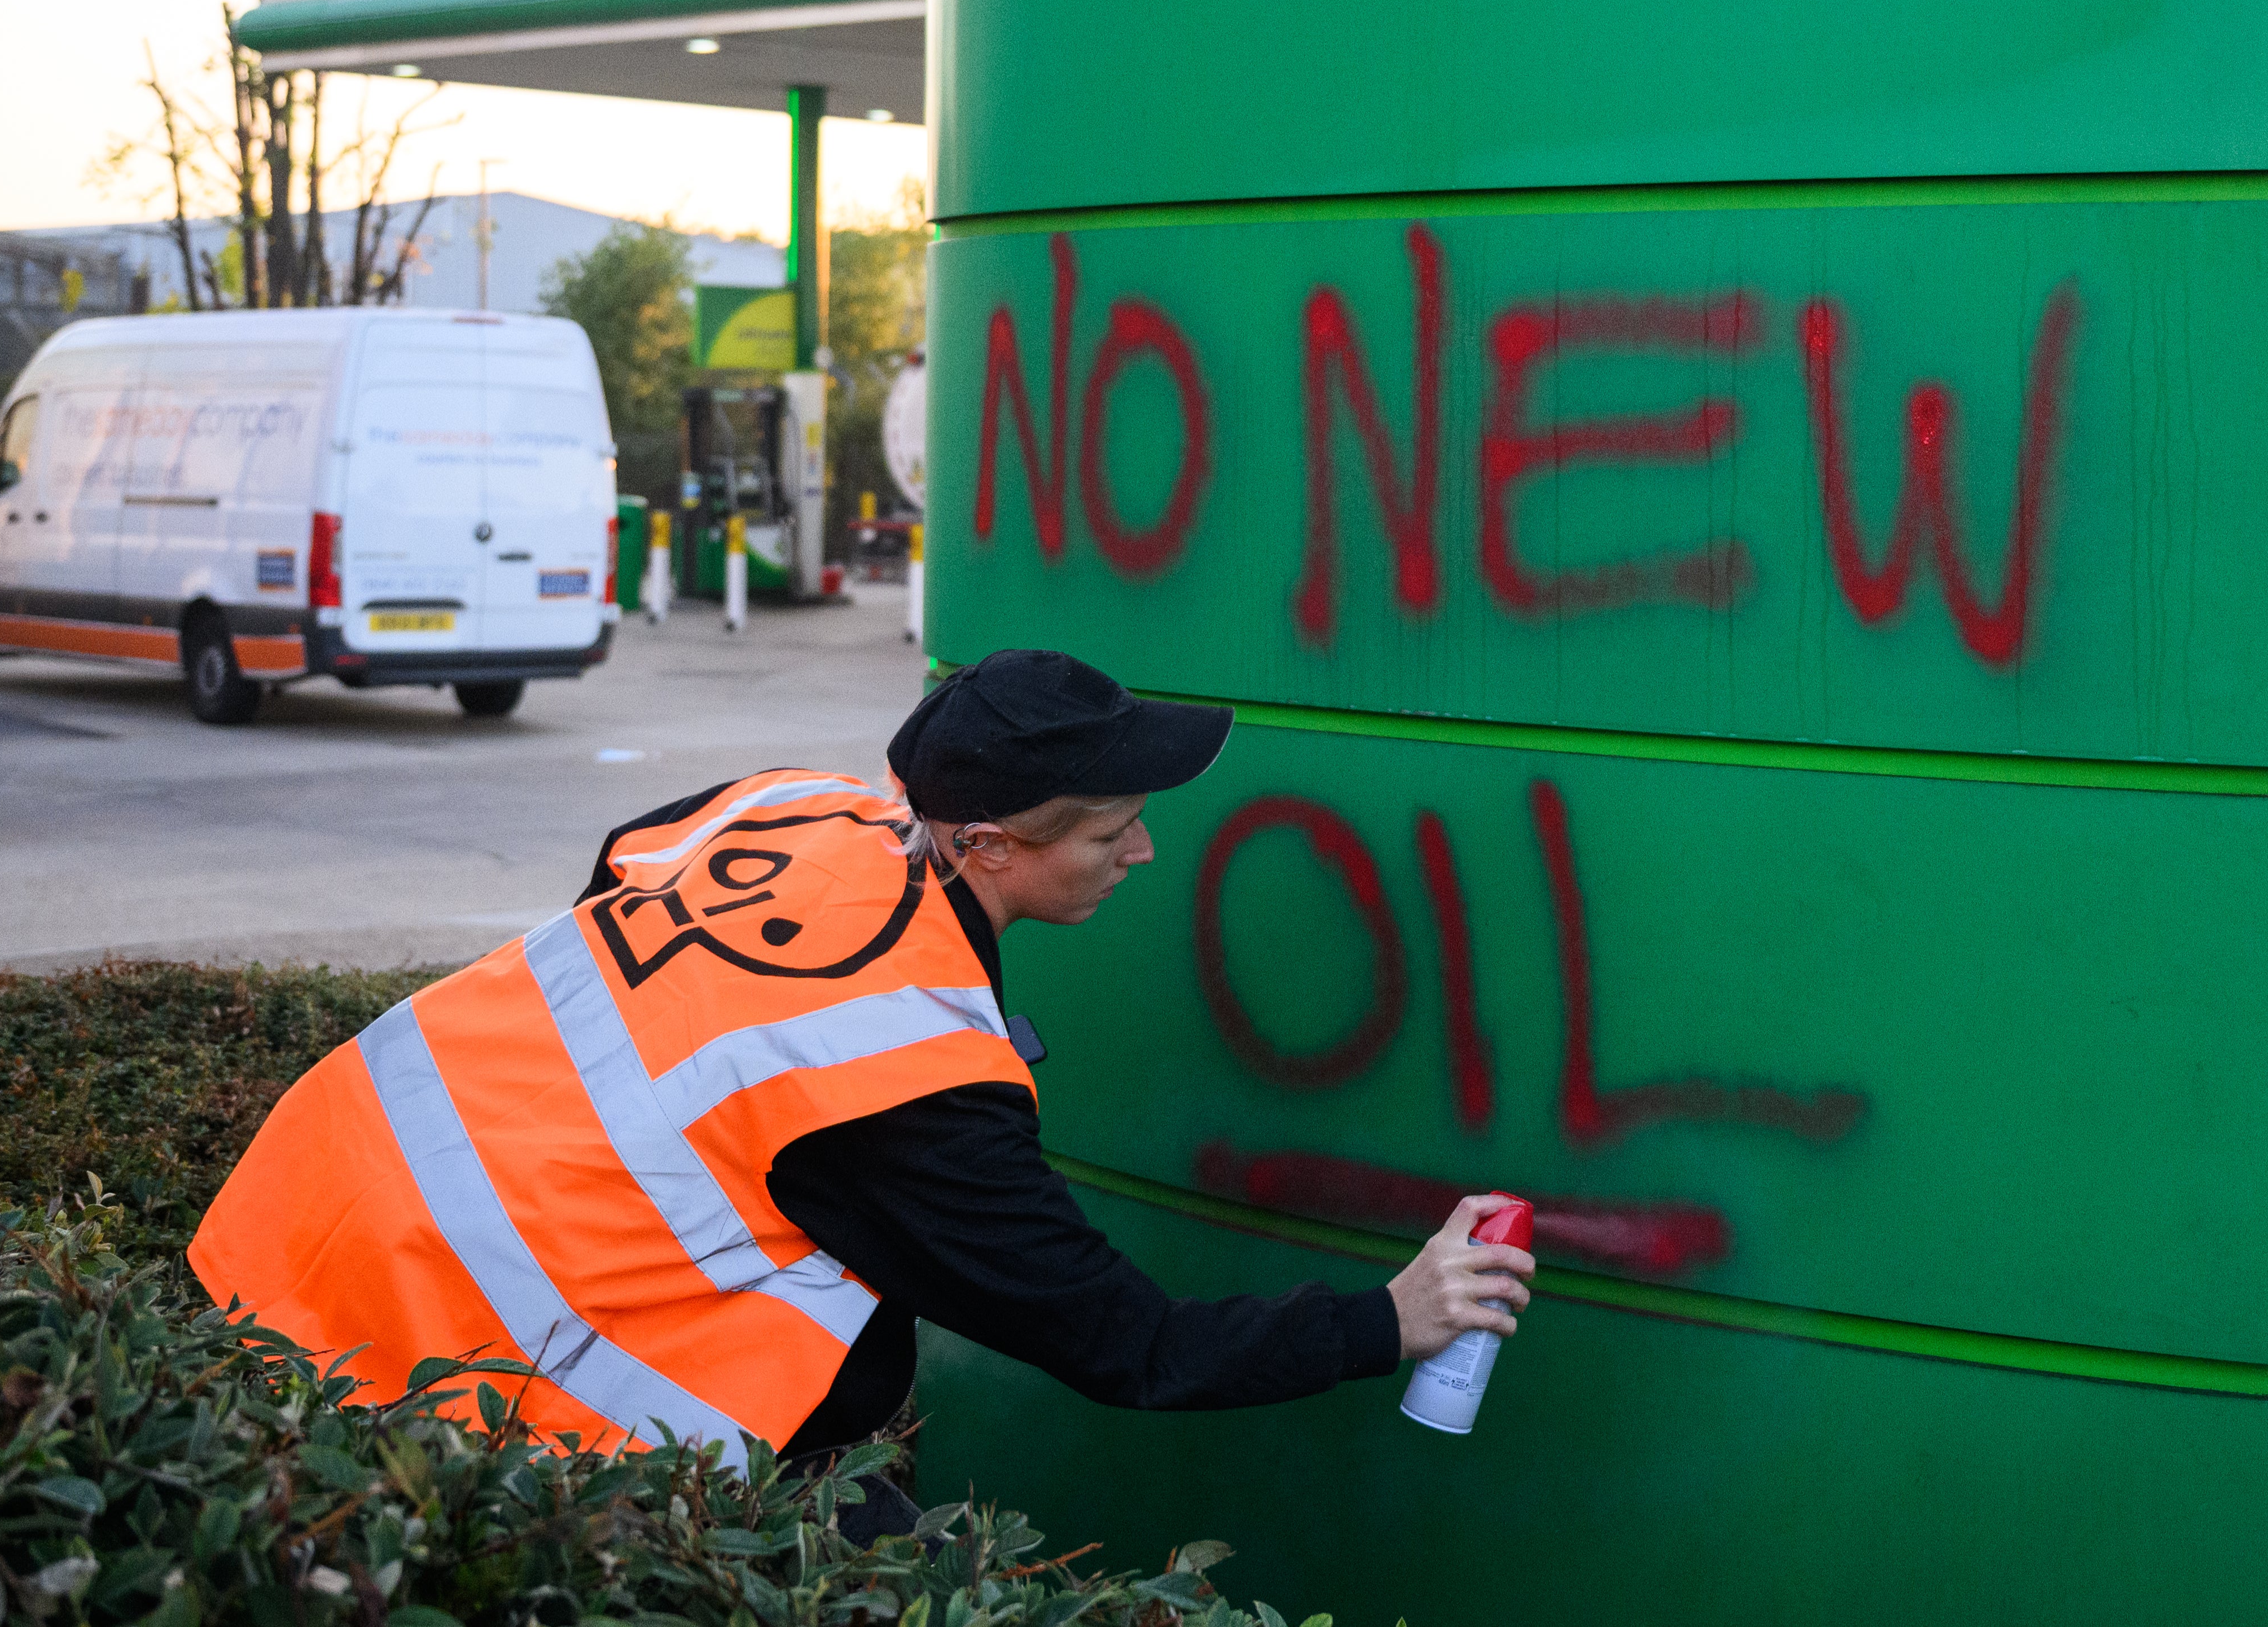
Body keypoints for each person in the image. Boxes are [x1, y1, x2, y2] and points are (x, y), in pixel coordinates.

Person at [188, 649, 1534, 1537]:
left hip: (316, 1177)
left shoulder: (799, 807)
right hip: (420, 1330)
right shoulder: (912, 1088)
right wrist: (1387, 1318)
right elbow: (1131, 1344)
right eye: (1112, 826)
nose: (1146, 848)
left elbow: (625, 853)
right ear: (991, 841)